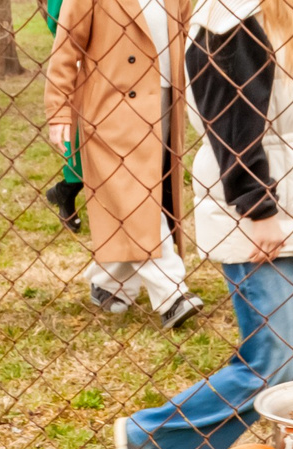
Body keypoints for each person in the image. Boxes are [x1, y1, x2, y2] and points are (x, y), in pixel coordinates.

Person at [113, 0, 293, 449]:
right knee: (272, 360)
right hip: (258, 197)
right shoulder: (228, 16)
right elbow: (228, 121)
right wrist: (259, 208)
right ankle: (152, 435)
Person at [45, 0, 206, 329]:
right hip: (111, 108)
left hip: (163, 102)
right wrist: (59, 109)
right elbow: (65, 49)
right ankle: (171, 293)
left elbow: (194, 33)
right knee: (137, 197)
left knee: (145, 192)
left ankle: (110, 281)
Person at [41, 0, 88, 228]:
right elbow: (57, 19)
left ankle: (65, 190)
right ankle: (65, 191)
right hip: (81, 51)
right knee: (80, 135)